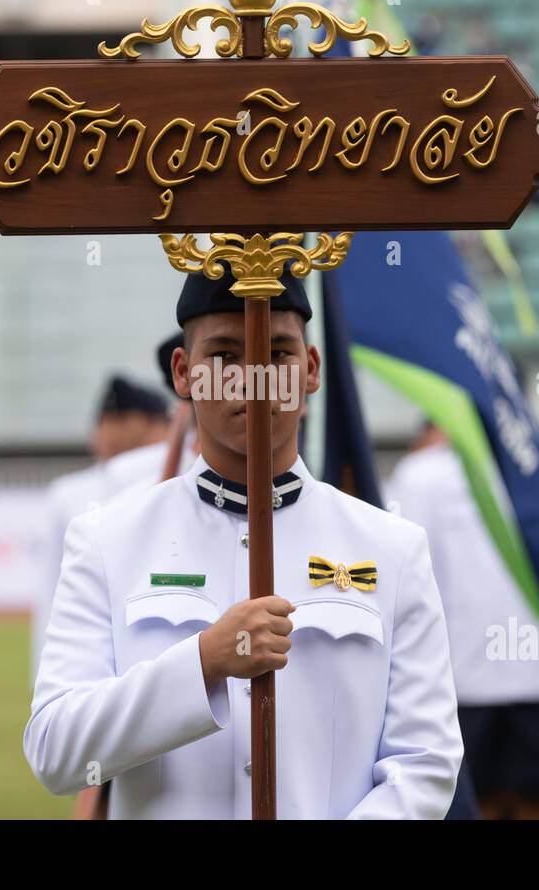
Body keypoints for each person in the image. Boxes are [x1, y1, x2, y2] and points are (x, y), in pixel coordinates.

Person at [25, 270, 464, 818]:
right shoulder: (109, 540)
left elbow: (424, 764)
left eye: (277, 353)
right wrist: (204, 662)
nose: (251, 378)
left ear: (311, 370)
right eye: (225, 356)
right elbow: (56, 751)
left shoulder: (392, 548)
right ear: (183, 375)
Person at [389, 430, 539, 819]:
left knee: (534, 798)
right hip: (459, 673)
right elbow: (410, 577)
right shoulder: (422, 475)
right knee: (469, 800)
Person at [31, 376, 172, 677]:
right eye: (105, 420)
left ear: (149, 424)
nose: (104, 429)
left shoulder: (180, 479)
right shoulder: (67, 494)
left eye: (116, 419)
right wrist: (44, 667)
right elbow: (51, 590)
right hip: (87, 649)